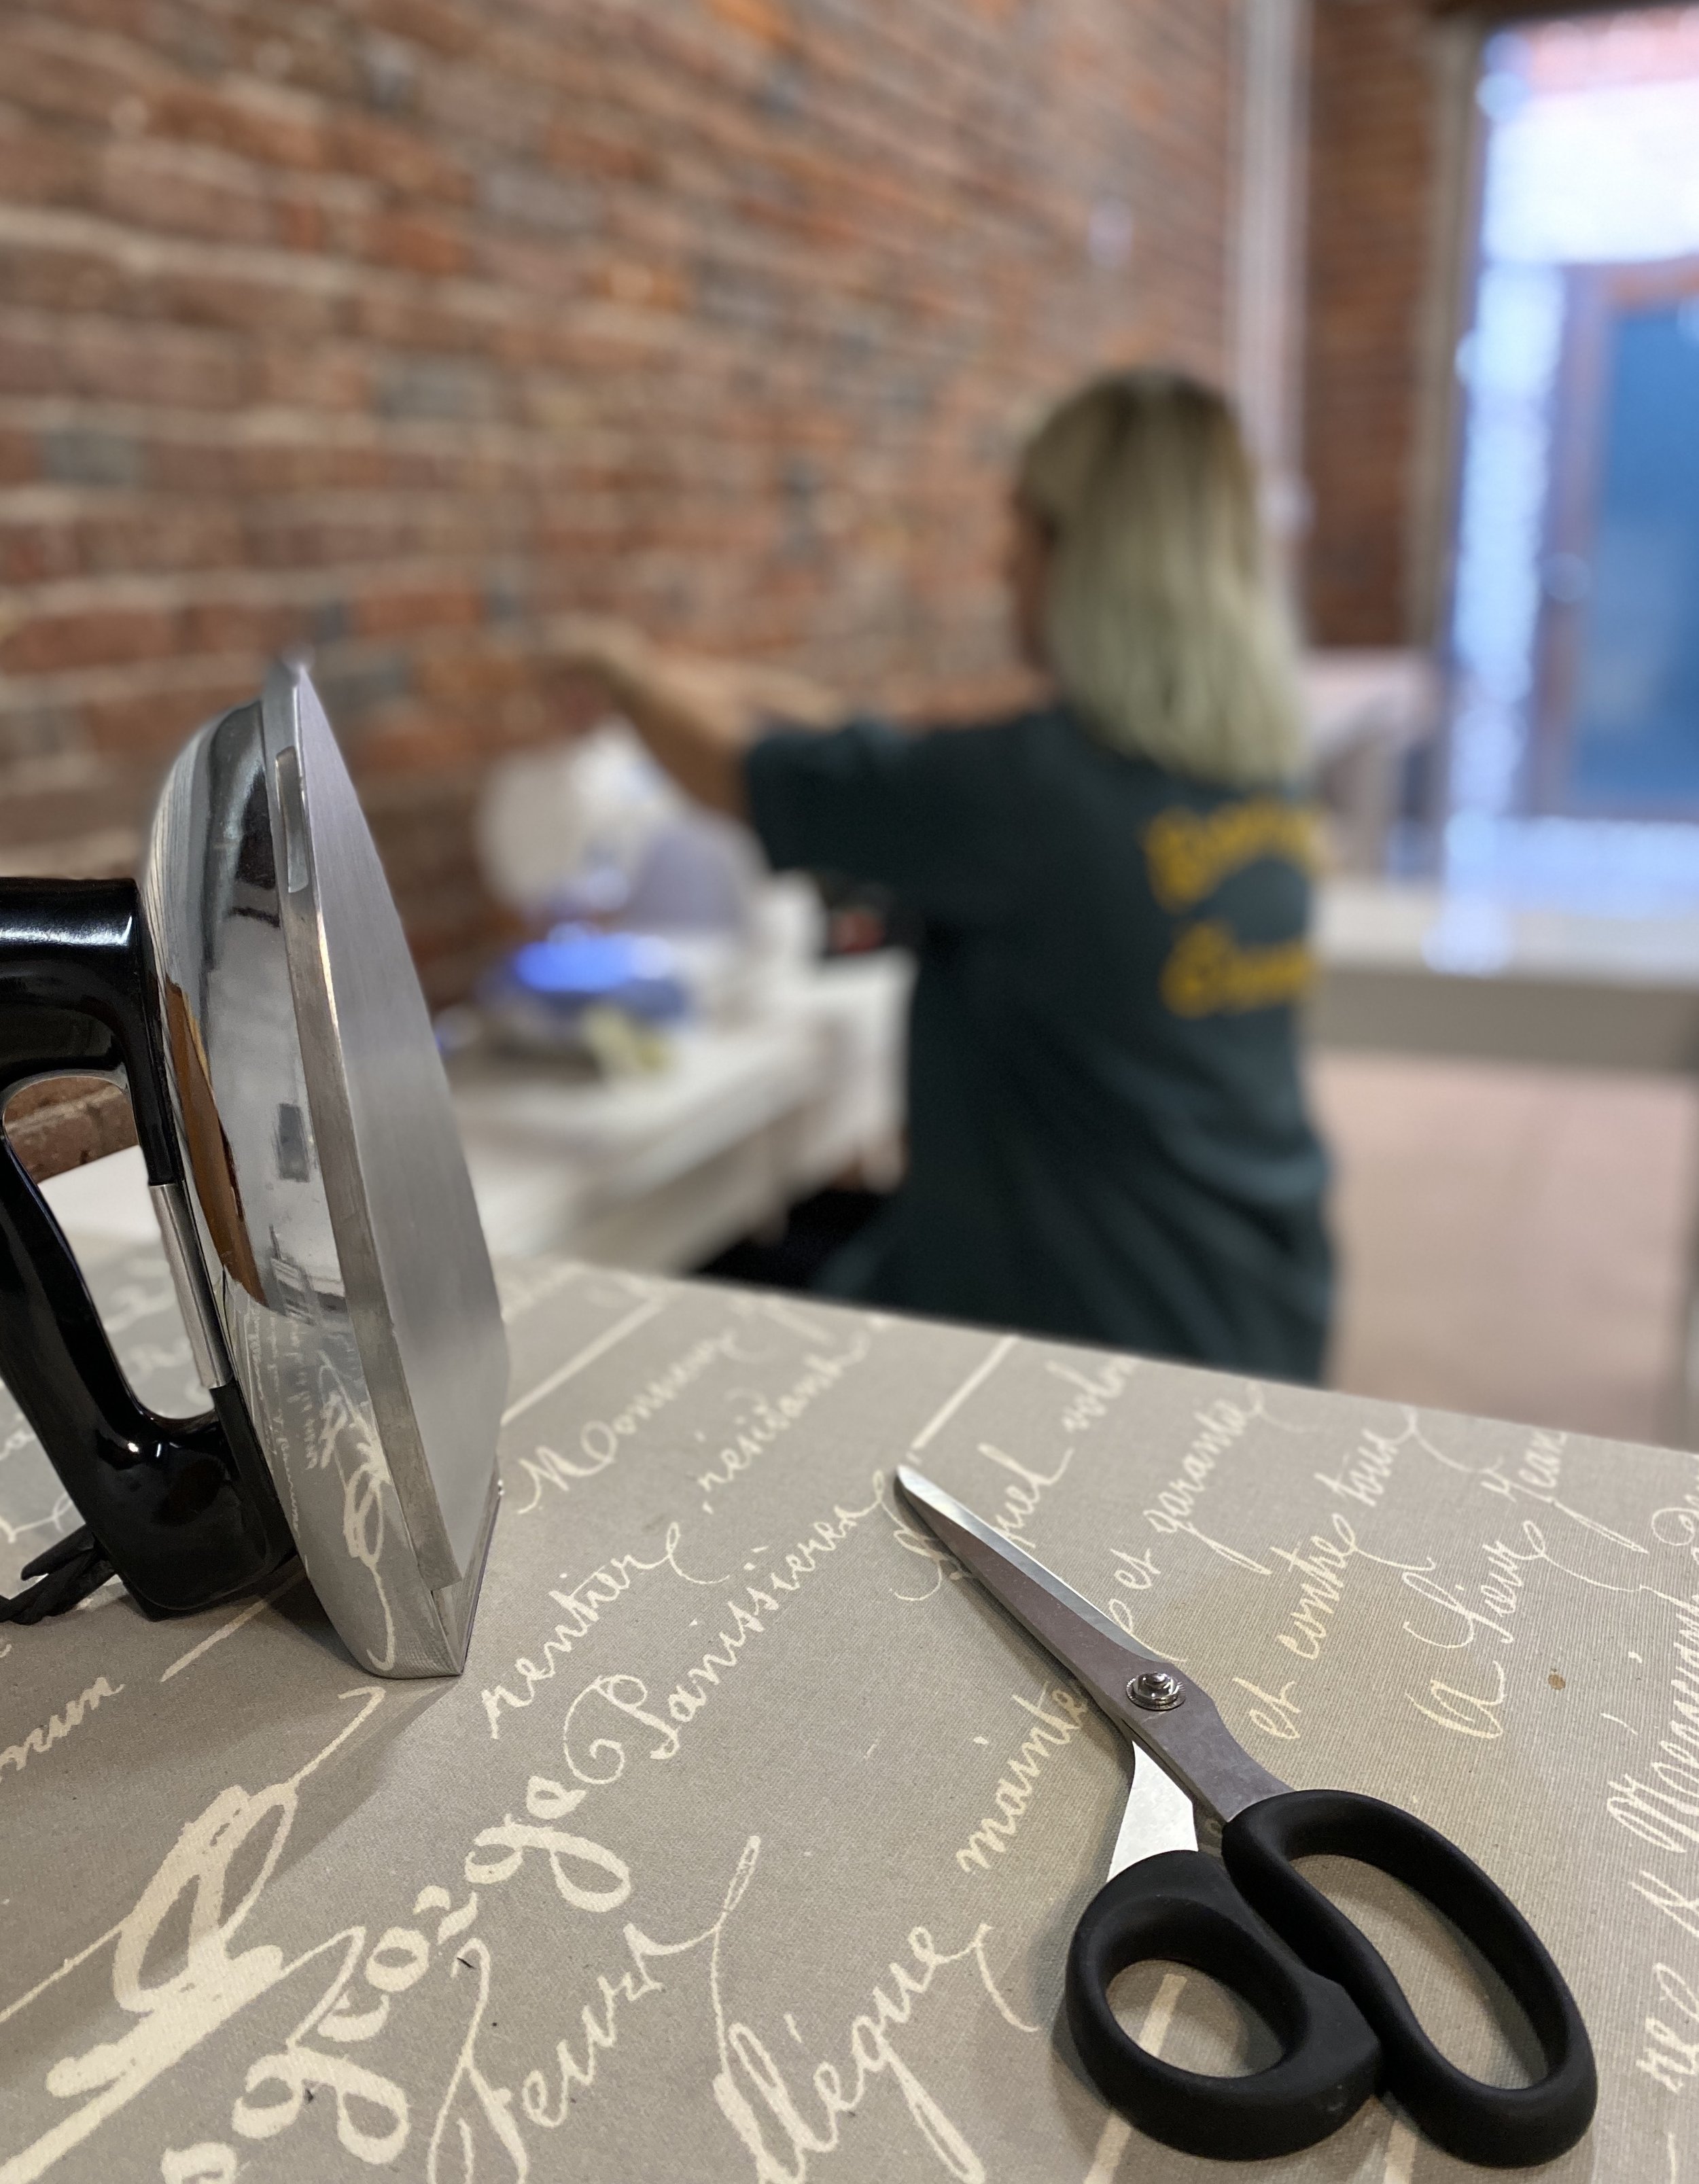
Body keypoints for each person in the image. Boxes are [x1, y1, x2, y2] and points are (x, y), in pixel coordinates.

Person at [557, 369, 1331, 1379]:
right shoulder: (1253, 770)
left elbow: (748, 774)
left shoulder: (1033, 792)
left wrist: (616, 668)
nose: (1005, 563)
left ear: (1090, 558)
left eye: (1025, 527)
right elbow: (885, 760)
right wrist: (711, 680)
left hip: (1099, 1337)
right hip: (1257, 1299)